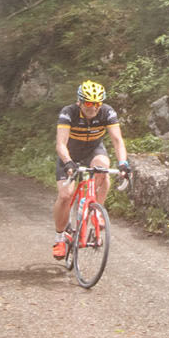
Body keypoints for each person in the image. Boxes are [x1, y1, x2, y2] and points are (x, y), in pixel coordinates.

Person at [52, 79, 129, 259]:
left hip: (93, 151)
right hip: (70, 154)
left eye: (97, 103)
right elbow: (61, 144)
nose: (93, 107)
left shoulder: (107, 112)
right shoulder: (68, 112)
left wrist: (123, 163)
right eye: (88, 103)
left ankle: (95, 209)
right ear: (79, 101)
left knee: (103, 167)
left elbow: (117, 140)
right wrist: (68, 162)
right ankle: (60, 237)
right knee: (65, 196)